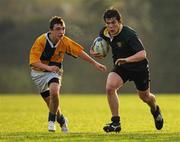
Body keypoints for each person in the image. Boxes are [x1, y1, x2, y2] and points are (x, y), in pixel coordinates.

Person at [90, 8, 163, 133]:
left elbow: (142, 54)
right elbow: (95, 46)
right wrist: (94, 52)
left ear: (119, 22)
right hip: (121, 66)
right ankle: (115, 123)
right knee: (110, 87)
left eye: (113, 23)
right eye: (108, 23)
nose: (111, 26)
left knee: (145, 97)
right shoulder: (105, 32)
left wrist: (127, 60)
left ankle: (155, 109)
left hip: (138, 67)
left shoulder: (129, 34)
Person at [29, 16, 107, 132]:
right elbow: (33, 62)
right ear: (51, 30)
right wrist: (48, 68)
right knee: (51, 103)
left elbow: (80, 52)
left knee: (54, 92)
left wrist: (95, 63)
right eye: (58, 29)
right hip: (38, 73)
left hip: (54, 72)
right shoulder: (41, 41)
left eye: (63, 29)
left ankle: (51, 121)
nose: (61, 32)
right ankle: (62, 120)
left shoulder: (65, 41)